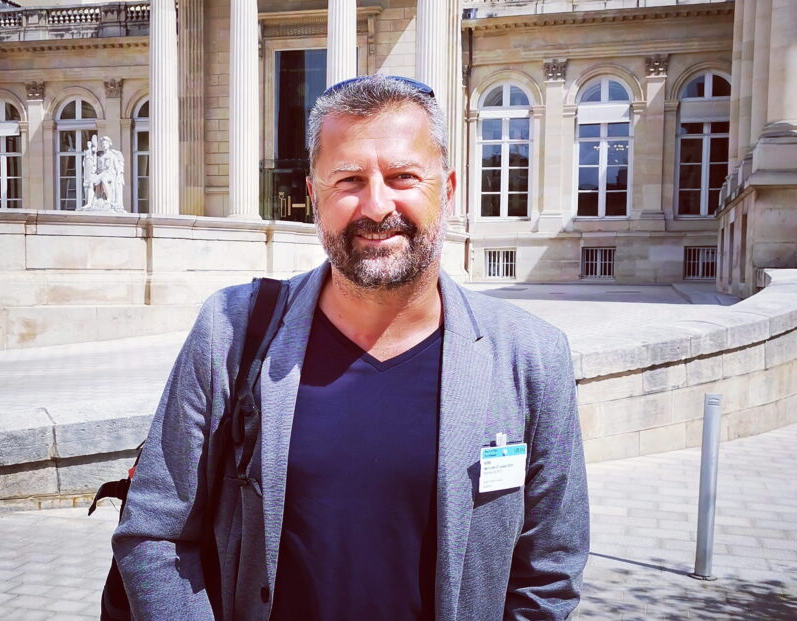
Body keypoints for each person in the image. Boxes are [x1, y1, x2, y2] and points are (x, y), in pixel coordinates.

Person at [113, 74, 589, 620]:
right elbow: (154, 530)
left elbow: (550, 570)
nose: (377, 206)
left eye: (403, 176)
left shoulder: (531, 356)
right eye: (349, 180)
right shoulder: (231, 330)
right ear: (314, 196)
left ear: (449, 190)